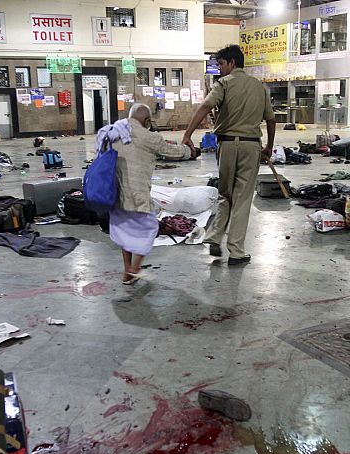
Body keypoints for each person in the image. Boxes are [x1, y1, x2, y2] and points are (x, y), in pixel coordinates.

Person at [182, 44, 276, 266]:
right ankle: (236, 252)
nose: (220, 69)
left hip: (226, 145)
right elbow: (271, 120)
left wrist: (187, 135)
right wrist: (269, 147)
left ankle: (214, 237)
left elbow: (205, 107)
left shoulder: (223, 84)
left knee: (226, 194)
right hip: (251, 145)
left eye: (222, 64)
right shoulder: (260, 87)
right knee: (242, 199)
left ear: (233, 62)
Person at [107, 103, 193, 285]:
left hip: (115, 192)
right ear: (146, 120)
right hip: (137, 194)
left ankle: (127, 273)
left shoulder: (114, 131)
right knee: (149, 229)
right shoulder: (148, 136)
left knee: (125, 232)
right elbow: (173, 151)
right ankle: (135, 268)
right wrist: (188, 149)